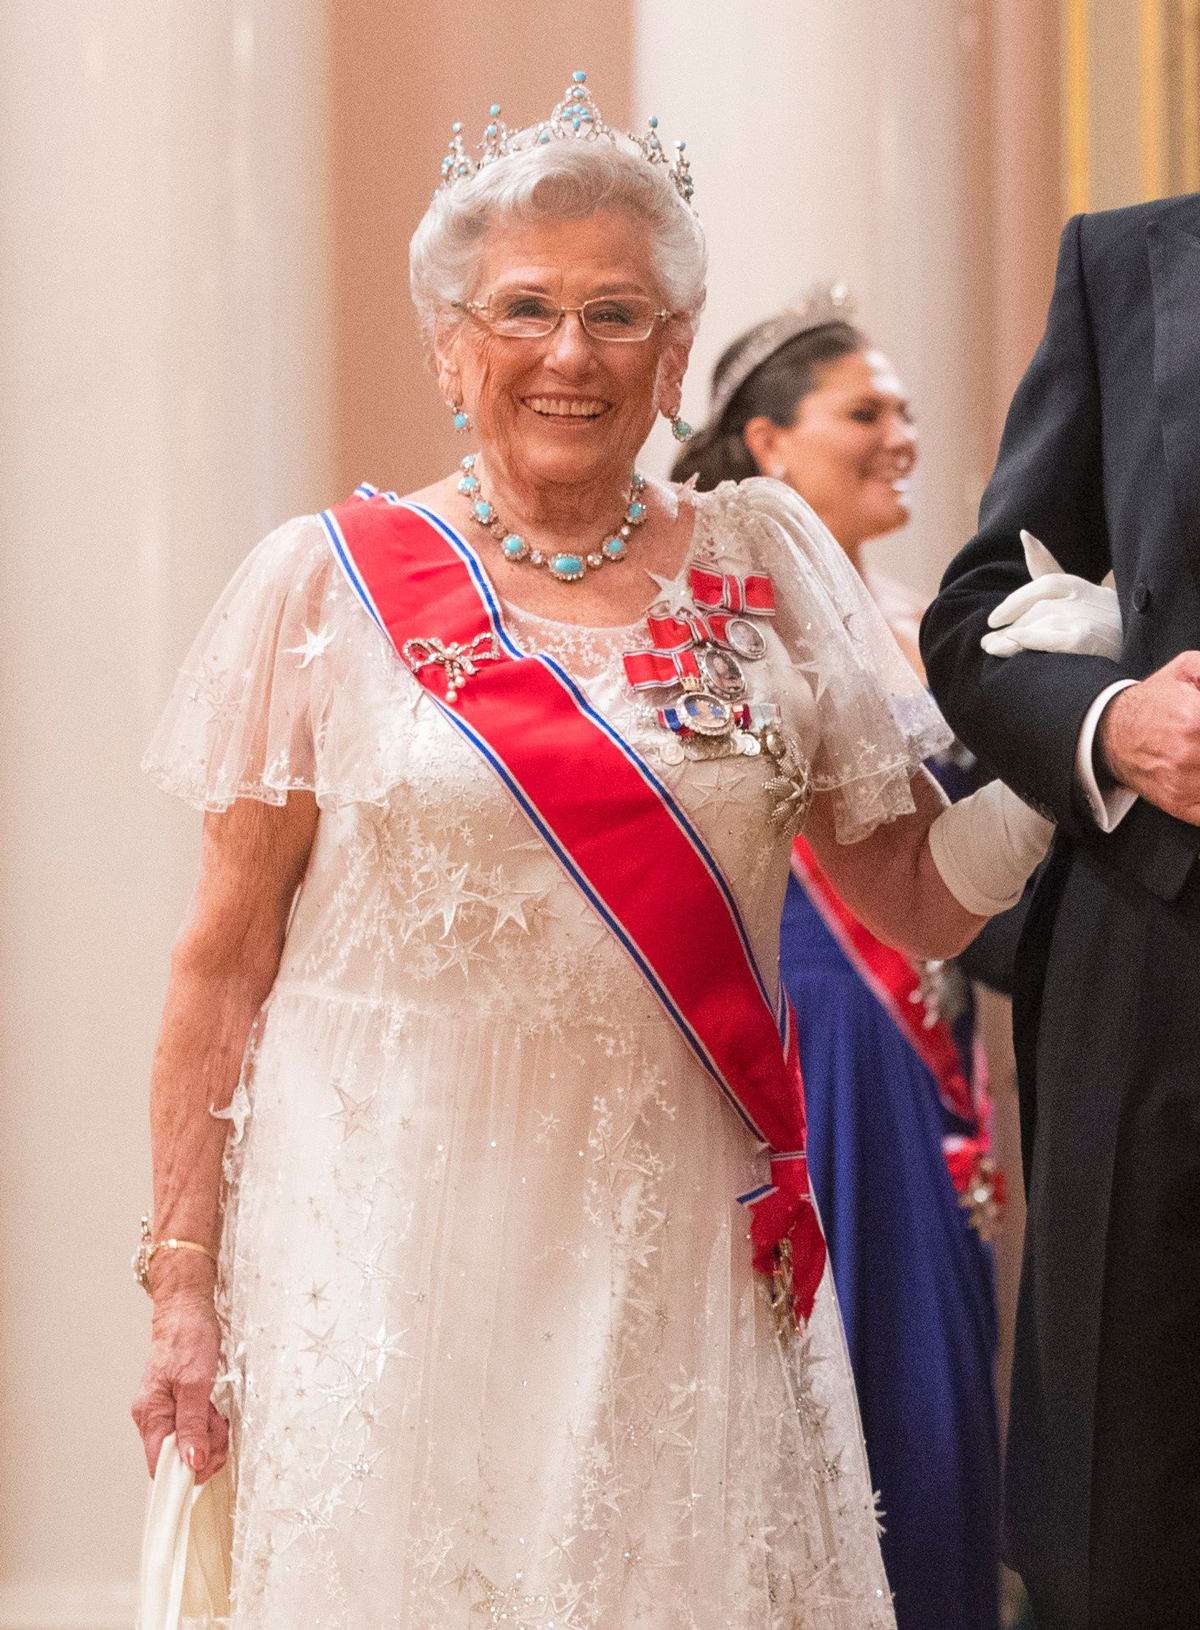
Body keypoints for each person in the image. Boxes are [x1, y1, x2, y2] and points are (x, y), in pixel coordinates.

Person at [131, 75, 1056, 1630]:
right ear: (448, 342)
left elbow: (909, 888)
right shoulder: (326, 588)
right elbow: (221, 965)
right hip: (383, 1254)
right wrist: (178, 1282)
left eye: (619, 313)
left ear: (678, 351)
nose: (570, 353)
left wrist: (1070, 759)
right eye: (526, 309)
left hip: (675, 1258)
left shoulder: (764, 564)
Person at [675, 293, 1013, 1630]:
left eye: (908, 410)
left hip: (921, 1028)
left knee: (933, 1392)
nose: (903, 436)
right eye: (865, 412)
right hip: (812, 1023)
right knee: (842, 1387)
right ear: (767, 438)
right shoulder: (734, 616)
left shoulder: (930, 618)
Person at [920, 192, 1200, 1630]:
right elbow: (974, 619)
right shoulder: (1129, 262)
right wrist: (1115, 722)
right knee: (1129, 1525)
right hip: (1160, 969)